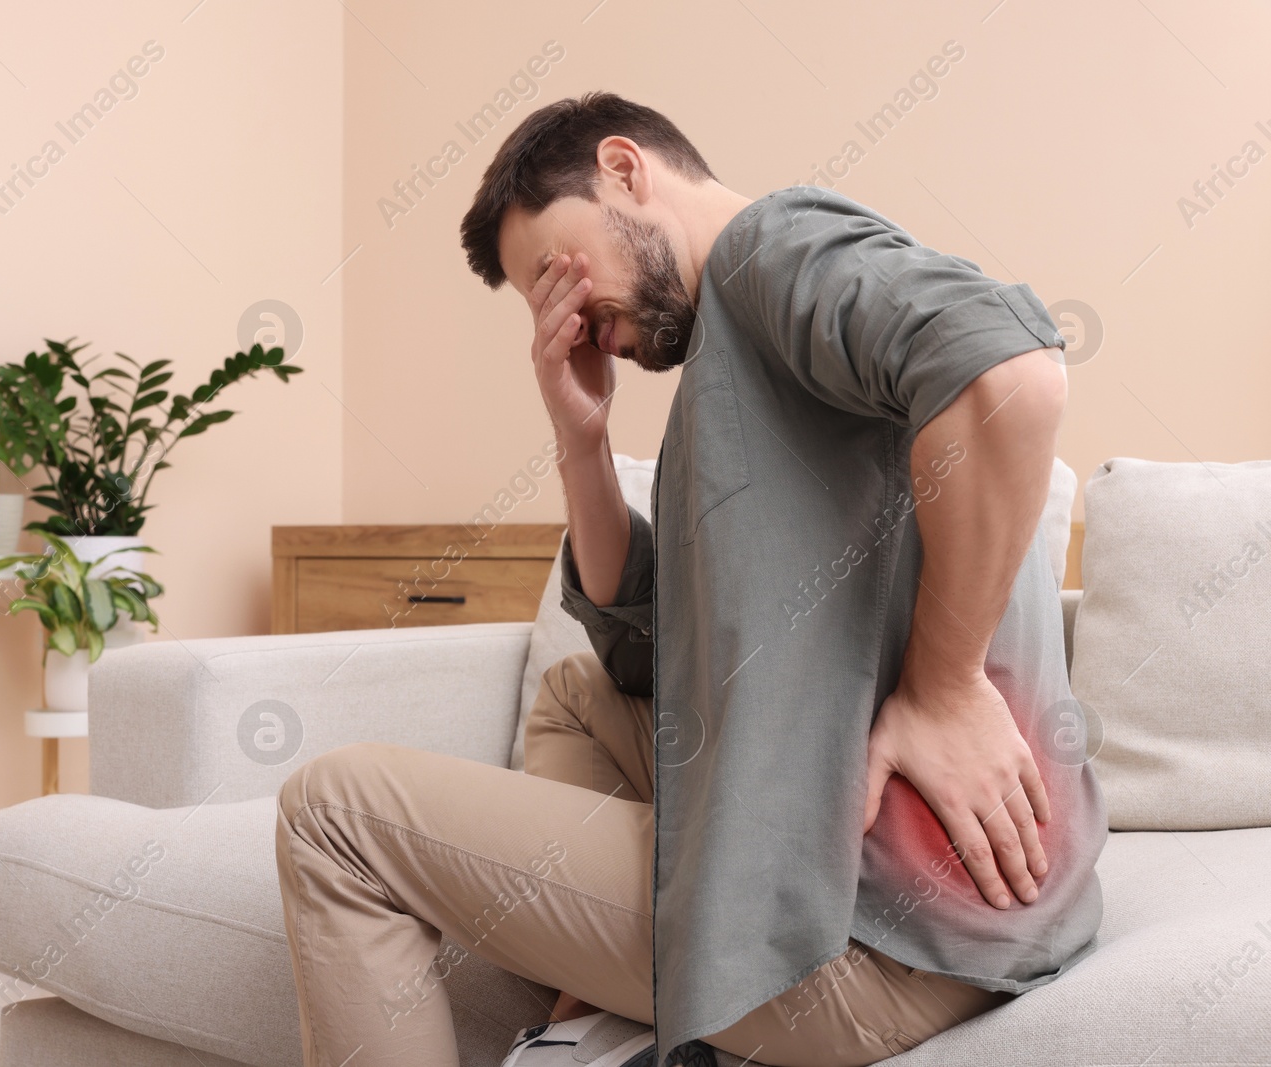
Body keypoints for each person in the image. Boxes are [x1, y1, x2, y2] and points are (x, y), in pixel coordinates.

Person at [275, 91, 1105, 1067]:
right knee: (574, 692)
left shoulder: (771, 250)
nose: (568, 314)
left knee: (334, 813)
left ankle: (611, 1016)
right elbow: (636, 658)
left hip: (866, 943)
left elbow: (1009, 375)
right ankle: (585, 1028)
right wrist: (581, 441)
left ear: (624, 170)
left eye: (555, 270)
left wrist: (944, 687)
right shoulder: (727, 363)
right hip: (950, 918)